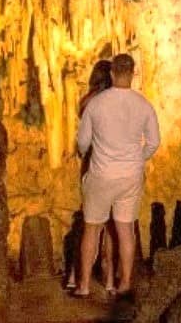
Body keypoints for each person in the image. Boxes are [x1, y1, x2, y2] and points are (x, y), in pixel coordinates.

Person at [75, 52, 160, 302]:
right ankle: (124, 284)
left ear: (112, 74)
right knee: (125, 231)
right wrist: (137, 159)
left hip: (101, 174)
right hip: (130, 177)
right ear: (133, 74)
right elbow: (154, 142)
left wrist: (86, 155)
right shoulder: (144, 105)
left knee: (92, 229)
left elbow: (82, 142)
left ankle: (83, 285)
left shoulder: (96, 104)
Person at [65, 60, 114, 292]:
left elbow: (82, 142)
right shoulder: (115, 102)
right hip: (111, 165)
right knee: (110, 224)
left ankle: (77, 277)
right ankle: (109, 278)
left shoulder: (86, 102)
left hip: (91, 165)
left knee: (89, 223)